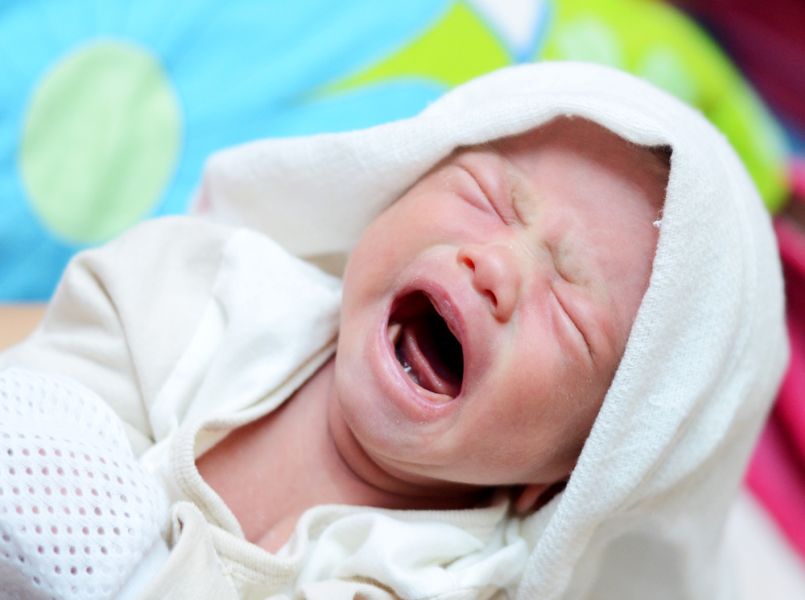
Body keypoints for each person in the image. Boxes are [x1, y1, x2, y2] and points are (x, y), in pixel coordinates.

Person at [0, 62, 787, 600]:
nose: (495, 266)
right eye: (486, 195)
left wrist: (140, 574)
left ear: (567, 473)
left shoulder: (444, 578)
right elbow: (46, 395)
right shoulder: (206, 288)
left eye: (570, 306)